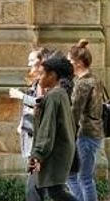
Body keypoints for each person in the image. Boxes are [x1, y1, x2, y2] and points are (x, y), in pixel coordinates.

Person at [27, 55, 79, 201]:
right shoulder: (60, 94)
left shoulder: (54, 96)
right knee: (45, 190)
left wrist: (37, 154)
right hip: (59, 150)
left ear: (52, 75)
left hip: (54, 153)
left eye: (42, 73)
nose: (39, 77)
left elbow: (47, 129)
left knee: (51, 191)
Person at [67, 39, 103, 201]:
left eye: (70, 61)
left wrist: (66, 131)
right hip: (94, 132)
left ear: (79, 63)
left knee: (84, 178)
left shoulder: (82, 84)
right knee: (80, 177)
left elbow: (75, 111)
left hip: (85, 133)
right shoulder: (95, 79)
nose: (68, 65)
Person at [10, 47, 52, 162]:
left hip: (37, 134)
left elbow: (40, 103)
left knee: (34, 166)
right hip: (30, 130)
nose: (29, 64)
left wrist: (20, 96)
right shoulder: (37, 81)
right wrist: (21, 123)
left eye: (32, 60)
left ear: (42, 61)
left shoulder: (43, 82)